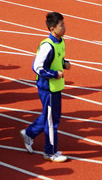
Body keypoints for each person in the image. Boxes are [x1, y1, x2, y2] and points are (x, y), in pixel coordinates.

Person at [20, 11, 71, 163]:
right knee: (52, 121)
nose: (64, 27)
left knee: (51, 116)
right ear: (52, 28)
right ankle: (50, 152)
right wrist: (55, 74)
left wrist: (64, 64)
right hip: (47, 88)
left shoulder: (60, 42)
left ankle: (29, 133)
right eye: (61, 25)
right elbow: (37, 67)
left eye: (64, 24)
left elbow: (56, 59)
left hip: (55, 87)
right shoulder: (47, 46)